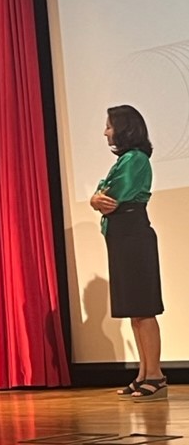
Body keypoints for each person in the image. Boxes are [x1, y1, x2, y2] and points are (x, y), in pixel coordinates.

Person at [90, 105, 166, 401]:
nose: (105, 132)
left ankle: (155, 375)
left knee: (144, 308)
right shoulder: (125, 160)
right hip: (123, 237)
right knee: (135, 309)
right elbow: (102, 193)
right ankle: (144, 373)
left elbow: (111, 195)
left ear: (123, 128)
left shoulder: (135, 159)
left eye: (109, 126)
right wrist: (96, 197)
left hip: (134, 236)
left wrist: (98, 197)